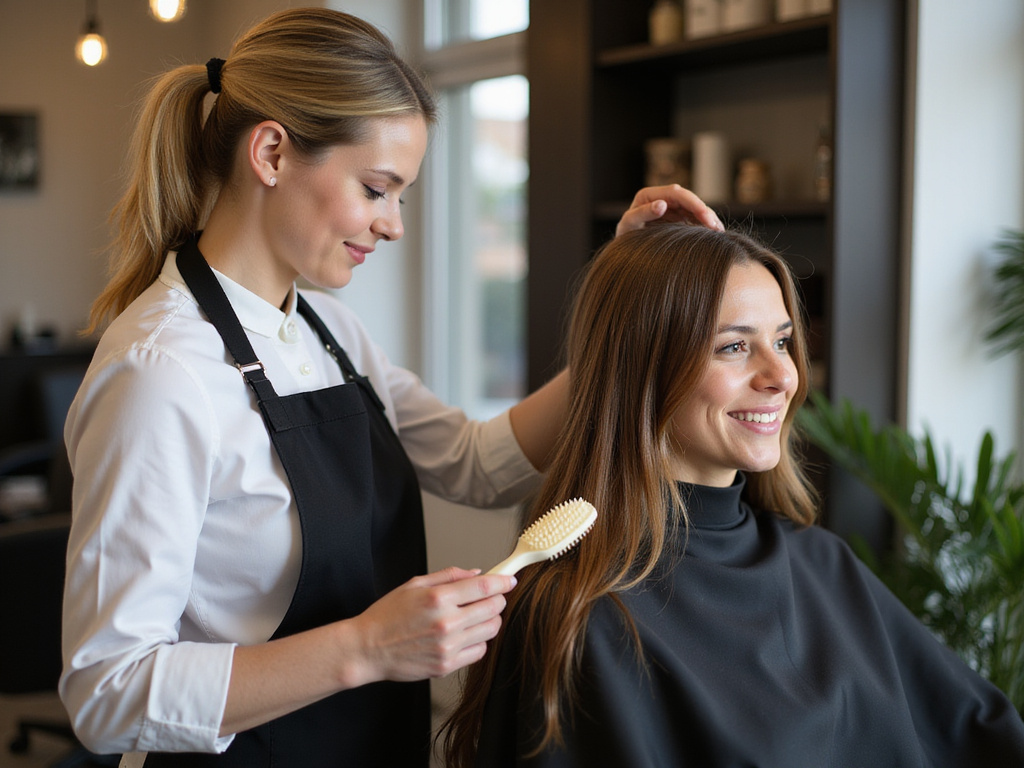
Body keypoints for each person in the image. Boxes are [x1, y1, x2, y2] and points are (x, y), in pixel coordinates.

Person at [58, 7, 722, 766]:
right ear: (271, 152)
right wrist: (368, 646)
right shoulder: (161, 372)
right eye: (377, 189)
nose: (395, 225)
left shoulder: (329, 331)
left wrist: (626, 318)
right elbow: (107, 691)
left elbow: (475, 462)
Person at [441, 223, 1024, 767]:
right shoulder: (581, 614)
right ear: (645, 368)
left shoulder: (821, 561)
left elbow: (982, 728)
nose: (783, 375)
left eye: (784, 340)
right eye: (734, 347)